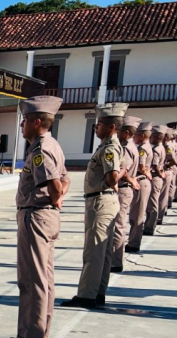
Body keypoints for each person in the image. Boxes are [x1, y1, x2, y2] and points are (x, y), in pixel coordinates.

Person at [0, 95, 66, 338]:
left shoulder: (41, 150)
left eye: (25, 120)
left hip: (36, 216)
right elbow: (65, 180)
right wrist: (56, 200)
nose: (21, 125)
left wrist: (55, 199)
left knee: (31, 280)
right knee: (44, 279)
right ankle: (36, 333)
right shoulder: (53, 146)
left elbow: (56, 186)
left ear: (38, 122)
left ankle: (31, 337)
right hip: (43, 215)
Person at [62, 103, 125, 309]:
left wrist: (114, 178)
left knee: (94, 251)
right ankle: (98, 293)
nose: (95, 128)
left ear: (112, 127)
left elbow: (113, 177)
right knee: (103, 253)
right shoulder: (107, 146)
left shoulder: (109, 149)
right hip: (103, 199)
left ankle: (87, 295)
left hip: (100, 200)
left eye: (99, 124)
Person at [109, 114, 140, 274]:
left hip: (122, 189)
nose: (117, 133)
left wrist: (130, 179)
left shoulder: (126, 148)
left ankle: (115, 262)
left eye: (119, 130)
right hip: (124, 188)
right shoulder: (128, 146)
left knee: (118, 226)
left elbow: (124, 170)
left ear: (126, 133)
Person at [127, 121, 153, 254]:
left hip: (140, 181)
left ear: (142, 135)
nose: (133, 137)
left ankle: (133, 243)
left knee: (137, 215)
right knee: (137, 214)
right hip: (142, 181)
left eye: (136, 135)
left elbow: (141, 167)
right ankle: (133, 241)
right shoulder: (146, 146)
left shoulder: (142, 148)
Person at [145, 125, 165, 236]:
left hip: (155, 177)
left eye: (152, 136)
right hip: (158, 177)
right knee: (153, 202)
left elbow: (155, 166)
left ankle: (149, 227)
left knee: (152, 204)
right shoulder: (161, 147)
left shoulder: (156, 149)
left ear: (157, 137)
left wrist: (159, 173)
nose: (150, 138)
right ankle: (149, 224)